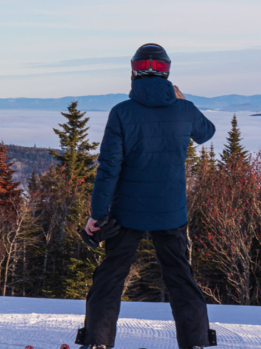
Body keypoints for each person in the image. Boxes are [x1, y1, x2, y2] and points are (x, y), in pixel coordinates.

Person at [77, 44, 217, 349]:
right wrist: (184, 101)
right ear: (167, 70)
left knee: (110, 279)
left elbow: (108, 168)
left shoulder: (121, 112)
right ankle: (196, 343)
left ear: (133, 70)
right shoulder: (185, 109)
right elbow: (206, 133)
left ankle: (96, 342)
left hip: (127, 212)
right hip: (171, 212)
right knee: (181, 278)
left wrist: (98, 214)